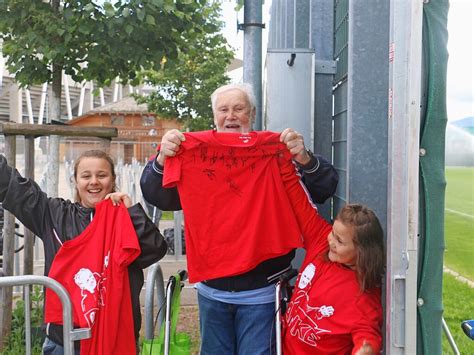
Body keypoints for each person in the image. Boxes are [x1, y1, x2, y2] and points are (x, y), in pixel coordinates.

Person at [140, 83, 338, 354]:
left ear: (252, 114)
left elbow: (326, 186)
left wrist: (304, 157)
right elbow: (156, 195)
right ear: (214, 116)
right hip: (213, 287)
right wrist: (162, 158)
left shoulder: (275, 150)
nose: (230, 115)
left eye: (238, 109)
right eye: (223, 109)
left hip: (263, 288)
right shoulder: (192, 151)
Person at [0, 149, 167, 355]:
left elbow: (155, 249)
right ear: (76, 181)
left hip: (116, 338)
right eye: (86, 176)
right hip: (66, 343)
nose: (94, 182)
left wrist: (131, 213)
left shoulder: (125, 218)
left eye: (102, 175)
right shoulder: (54, 215)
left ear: (112, 180)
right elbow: (13, 187)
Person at [277, 156, 384, 354]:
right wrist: (285, 160)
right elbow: (298, 201)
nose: (331, 242)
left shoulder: (363, 295)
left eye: (340, 241)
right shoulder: (321, 240)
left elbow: (367, 336)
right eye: (333, 233)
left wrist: (365, 349)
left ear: (362, 252)